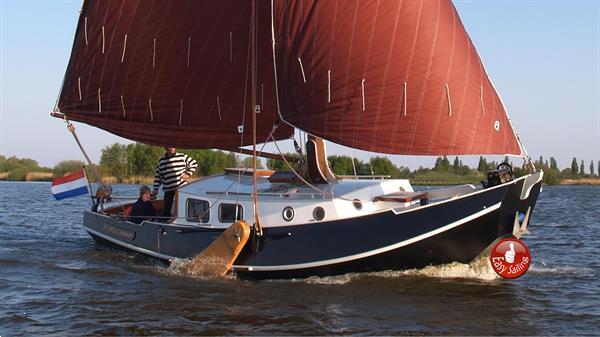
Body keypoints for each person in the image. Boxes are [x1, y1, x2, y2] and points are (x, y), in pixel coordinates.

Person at [152, 147, 198, 217]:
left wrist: (188, 174)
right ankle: (166, 222)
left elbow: (194, 163)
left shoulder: (182, 156)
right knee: (167, 208)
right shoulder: (161, 161)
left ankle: (187, 218)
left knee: (182, 205)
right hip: (168, 189)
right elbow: (158, 176)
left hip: (180, 187)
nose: (172, 148)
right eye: (169, 146)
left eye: (173, 146)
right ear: (166, 148)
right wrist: (155, 188)